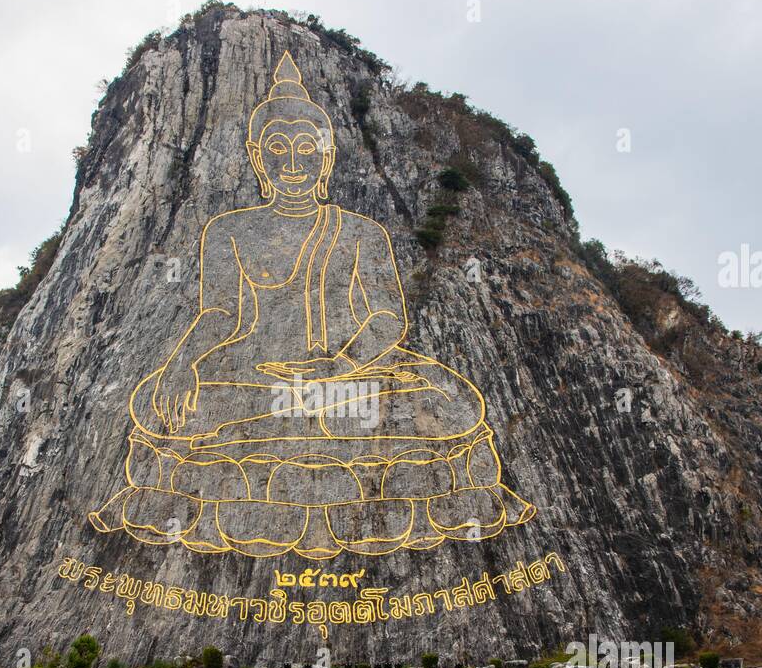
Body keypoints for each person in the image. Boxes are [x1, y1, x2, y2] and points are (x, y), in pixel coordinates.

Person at [88, 51, 534, 557]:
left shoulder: (361, 231)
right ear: (258, 156)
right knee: (169, 402)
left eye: (307, 148)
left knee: (446, 404)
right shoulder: (229, 230)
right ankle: (296, 438)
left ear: (326, 156)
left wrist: (339, 366)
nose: (294, 163)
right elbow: (222, 315)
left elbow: (388, 318)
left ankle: (271, 444)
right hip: (254, 376)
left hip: (348, 381)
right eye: (279, 149)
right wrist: (181, 363)